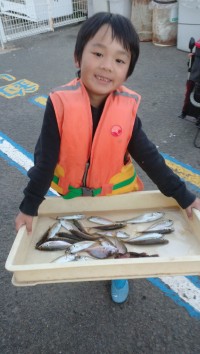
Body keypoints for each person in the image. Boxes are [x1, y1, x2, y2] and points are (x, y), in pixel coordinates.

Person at [15, 12, 200, 304]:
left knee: (119, 242)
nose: (106, 66)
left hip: (116, 196)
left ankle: (119, 270)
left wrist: (184, 196)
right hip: (73, 199)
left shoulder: (126, 109)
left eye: (119, 60)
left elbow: (149, 157)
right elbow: (45, 160)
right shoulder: (59, 103)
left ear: (128, 70)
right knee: (85, 237)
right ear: (78, 57)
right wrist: (29, 206)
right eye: (98, 53)